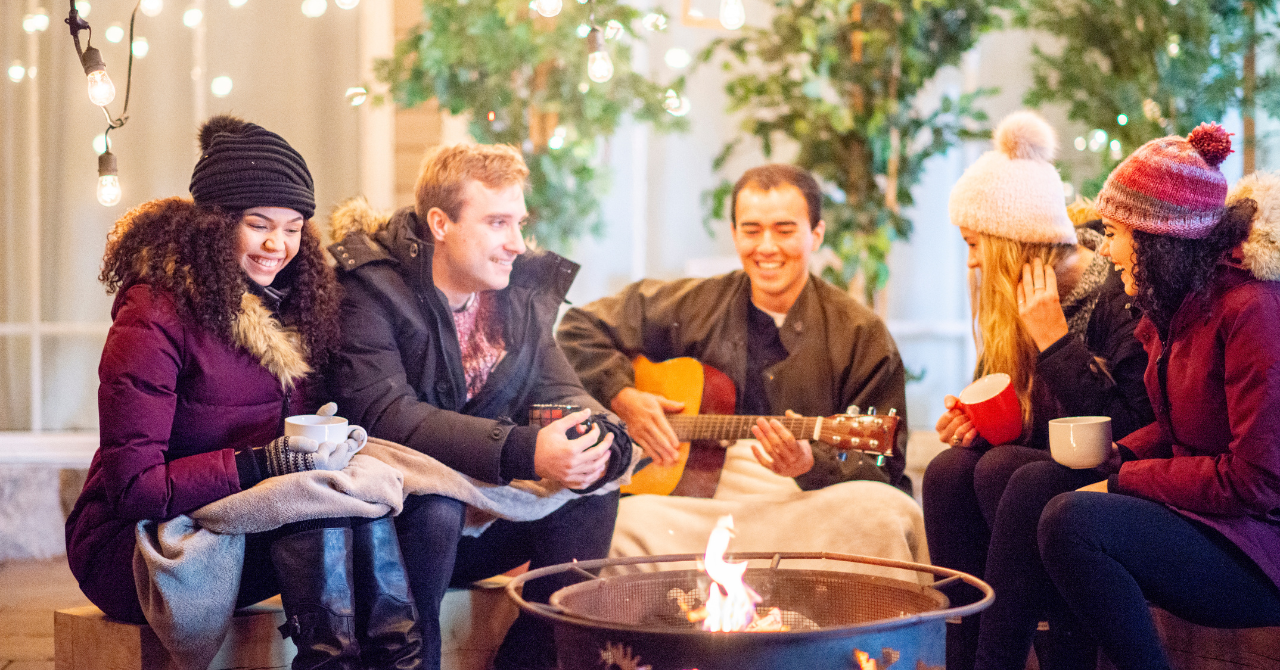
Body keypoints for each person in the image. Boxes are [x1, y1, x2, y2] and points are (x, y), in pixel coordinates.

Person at [64, 116, 425, 670]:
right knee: (320, 509)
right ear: (213, 223)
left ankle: (395, 660)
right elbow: (134, 488)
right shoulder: (154, 312)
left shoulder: (294, 305)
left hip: (248, 520)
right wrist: (263, 463)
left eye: (293, 227)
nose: (277, 245)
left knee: (361, 500)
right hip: (134, 544)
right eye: (259, 225)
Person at [326, 143, 633, 670]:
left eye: (518, 222)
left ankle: (531, 661)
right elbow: (385, 414)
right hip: (394, 527)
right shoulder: (370, 288)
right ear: (441, 223)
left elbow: (564, 392)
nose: (517, 243)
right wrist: (525, 451)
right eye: (497, 223)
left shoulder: (517, 296)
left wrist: (604, 443)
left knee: (593, 491)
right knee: (435, 505)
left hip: (480, 525)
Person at [556, 163, 926, 576]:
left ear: (816, 234)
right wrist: (625, 398)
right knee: (615, 526)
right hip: (699, 506)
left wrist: (811, 464)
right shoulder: (695, 303)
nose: (766, 247)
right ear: (734, 234)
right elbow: (579, 327)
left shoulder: (861, 333)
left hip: (806, 504)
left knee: (885, 515)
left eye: (784, 230)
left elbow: (883, 462)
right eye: (751, 231)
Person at [1036, 125, 1280, 670]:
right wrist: (1124, 452)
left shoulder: (1251, 311)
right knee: (1041, 482)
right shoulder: (1182, 304)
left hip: (1262, 549)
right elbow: (1186, 429)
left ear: (1160, 240)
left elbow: (1255, 482)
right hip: (1220, 521)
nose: (1107, 246)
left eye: (1119, 232)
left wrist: (1127, 477)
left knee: (1072, 520)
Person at [921, 111, 1154, 670]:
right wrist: (975, 421)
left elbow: (1129, 427)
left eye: (977, 245)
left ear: (1012, 244)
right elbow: (1019, 419)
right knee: (949, 470)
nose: (972, 260)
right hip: (1043, 462)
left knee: (1009, 472)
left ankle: (1021, 657)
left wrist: (1054, 341)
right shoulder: (1009, 306)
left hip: (1123, 467)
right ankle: (965, 653)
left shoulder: (1113, 293)